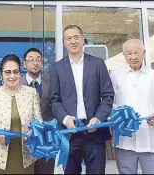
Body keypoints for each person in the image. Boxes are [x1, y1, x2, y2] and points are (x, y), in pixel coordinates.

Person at [49, 24, 115, 174]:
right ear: (64, 42)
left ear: (83, 39)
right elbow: (54, 101)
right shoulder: (57, 68)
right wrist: (66, 119)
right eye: (68, 38)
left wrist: (97, 119)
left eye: (76, 37)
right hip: (70, 133)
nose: (73, 41)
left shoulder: (98, 64)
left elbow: (108, 96)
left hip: (95, 132)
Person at [110, 39, 154, 174]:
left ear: (144, 53)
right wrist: (119, 115)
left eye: (137, 53)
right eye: (129, 54)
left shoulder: (153, 75)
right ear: (123, 55)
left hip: (150, 139)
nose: (133, 57)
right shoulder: (115, 75)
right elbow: (109, 103)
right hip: (125, 141)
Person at [0, 54, 42, 174]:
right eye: (8, 72)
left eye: (15, 72)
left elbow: (39, 122)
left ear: (20, 73)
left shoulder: (31, 93)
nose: (12, 76)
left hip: (26, 155)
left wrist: (33, 133)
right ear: (1, 74)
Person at [20, 48, 55, 174]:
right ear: (24, 63)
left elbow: (55, 106)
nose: (35, 63)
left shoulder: (50, 83)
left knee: (45, 171)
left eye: (38, 59)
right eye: (31, 60)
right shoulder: (17, 83)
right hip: (23, 138)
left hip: (45, 139)